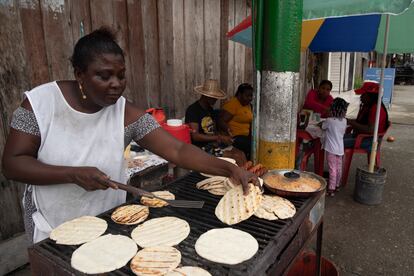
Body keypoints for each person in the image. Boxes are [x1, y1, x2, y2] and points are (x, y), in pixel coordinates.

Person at [1, 28, 258, 244]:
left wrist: (228, 169)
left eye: (121, 76)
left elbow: (177, 151)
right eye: (104, 75)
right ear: (79, 74)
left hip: (107, 222)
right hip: (52, 221)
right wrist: (72, 174)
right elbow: (12, 164)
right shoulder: (40, 104)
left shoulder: (125, 113)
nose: (116, 84)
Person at [185, 79, 247, 165]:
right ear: (206, 96)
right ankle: (242, 177)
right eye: (214, 97)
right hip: (201, 149)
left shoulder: (210, 109)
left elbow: (213, 131)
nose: (216, 99)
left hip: (214, 144)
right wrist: (219, 137)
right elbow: (195, 136)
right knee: (235, 157)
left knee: (241, 154)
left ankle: (247, 174)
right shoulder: (193, 110)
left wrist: (225, 136)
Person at [345, 81, 390, 150]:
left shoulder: (376, 109)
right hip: (362, 137)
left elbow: (370, 130)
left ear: (370, 96)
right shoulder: (369, 106)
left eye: (363, 94)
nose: (360, 97)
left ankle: (335, 161)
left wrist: (352, 122)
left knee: (335, 142)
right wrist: (349, 121)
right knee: (335, 139)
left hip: (369, 141)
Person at [321, 98, 349, 196]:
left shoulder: (329, 120)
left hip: (331, 150)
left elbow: (323, 127)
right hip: (340, 149)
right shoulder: (344, 121)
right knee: (338, 168)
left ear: (333, 109)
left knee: (332, 168)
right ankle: (337, 185)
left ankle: (331, 189)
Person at [218, 83, 253, 159]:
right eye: (247, 96)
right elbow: (221, 121)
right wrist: (228, 130)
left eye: (251, 96)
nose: (250, 98)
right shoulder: (233, 104)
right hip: (235, 137)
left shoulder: (248, 105)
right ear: (240, 94)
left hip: (245, 136)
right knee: (251, 145)